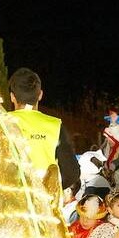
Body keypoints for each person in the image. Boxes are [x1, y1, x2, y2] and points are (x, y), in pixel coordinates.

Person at [7, 67, 79, 200]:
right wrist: (49, 190)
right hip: (44, 208)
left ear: (12, 97)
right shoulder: (55, 125)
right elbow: (71, 173)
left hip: (8, 205)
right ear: (40, 94)